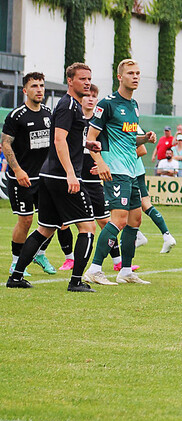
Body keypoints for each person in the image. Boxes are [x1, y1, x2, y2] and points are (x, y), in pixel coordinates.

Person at [7, 63, 101, 292]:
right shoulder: (68, 104)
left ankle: (16, 277)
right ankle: (76, 281)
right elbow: (59, 141)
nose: (87, 83)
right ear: (70, 81)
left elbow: (65, 138)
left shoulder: (70, 106)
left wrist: (86, 143)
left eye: (89, 79)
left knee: (45, 229)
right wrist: (71, 174)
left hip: (49, 175)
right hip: (61, 176)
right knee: (88, 227)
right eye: (82, 79)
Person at [82, 59, 158, 287]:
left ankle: (125, 271)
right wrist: (100, 162)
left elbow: (128, 138)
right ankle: (94, 269)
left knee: (135, 219)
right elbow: (90, 140)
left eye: (138, 73)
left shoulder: (134, 105)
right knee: (119, 220)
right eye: (130, 73)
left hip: (131, 170)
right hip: (115, 170)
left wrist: (145, 138)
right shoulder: (107, 104)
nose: (135, 77)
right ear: (120, 77)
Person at [57, 83, 134, 274]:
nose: (90, 99)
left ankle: (117, 261)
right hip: (75, 178)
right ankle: (69, 259)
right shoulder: (74, 118)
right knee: (62, 222)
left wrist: (100, 162)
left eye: (94, 96)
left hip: (94, 183)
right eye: (87, 95)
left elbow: (108, 146)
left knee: (105, 221)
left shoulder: (102, 122)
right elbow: (64, 144)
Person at [2, 72, 59, 277]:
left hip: (44, 177)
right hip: (22, 178)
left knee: (54, 220)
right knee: (25, 221)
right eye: (34, 86)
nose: (39, 89)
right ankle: (16, 262)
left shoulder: (47, 113)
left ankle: (39, 253)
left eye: (42, 85)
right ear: (25, 90)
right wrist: (17, 170)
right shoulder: (16, 115)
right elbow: (5, 144)